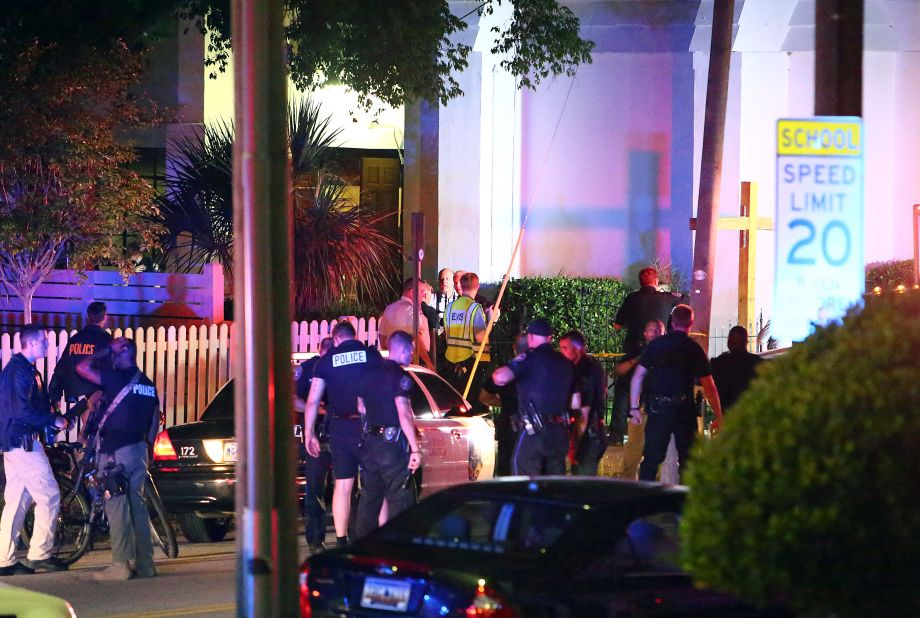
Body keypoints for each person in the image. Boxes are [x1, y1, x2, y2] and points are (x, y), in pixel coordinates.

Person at [76, 337, 161, 580]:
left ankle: (121, 565)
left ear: (121, 352)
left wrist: (104, 350)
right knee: (138, 507)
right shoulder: (148, 385)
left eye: (116, 351)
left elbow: (82, 367)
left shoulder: (115, 378)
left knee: (117, 507)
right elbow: (154, 419)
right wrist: (149, 448)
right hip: (139, 452)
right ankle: (146, 564)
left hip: (115, 453)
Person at [304, 321, 382, 547]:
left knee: (343, 485)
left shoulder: (326, 361)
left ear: (335, 338)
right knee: (372, 484)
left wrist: (310, 434)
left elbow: (312, 401)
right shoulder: (371, 356)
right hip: (368, 427)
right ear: (354, 336)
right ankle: (371, 536)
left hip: (340, 428)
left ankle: (340, 539)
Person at [0, 324, 70, 575]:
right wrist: (51, 420)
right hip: (24, 442)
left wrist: (50, 414)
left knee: (17, 500)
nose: (47, 344)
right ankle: (40, 554)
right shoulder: (21, 372)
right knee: (49, 495)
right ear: (30, 343)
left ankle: (4, 560)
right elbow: (21, 410)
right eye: (43, 340)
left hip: (15, 442)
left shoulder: (23, 369)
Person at [630, 305, 723, 482]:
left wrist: (634, 408)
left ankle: (642, 503)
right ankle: (683, 503)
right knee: (688, 461)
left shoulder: (656, 345)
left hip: (658, 409)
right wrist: (719, 415)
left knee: (650, 461)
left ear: (672, 322)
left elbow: (638, 376)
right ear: (691, 323)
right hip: (684, 410)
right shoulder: (694, 349)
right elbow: (709, 386)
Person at [355, 331, 422, 538]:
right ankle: (397, 549)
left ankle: (362, 549)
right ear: (402, 349)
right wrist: (415, 449)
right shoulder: (400, 377)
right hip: (391, 447)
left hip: (369, 444)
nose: (411, 355)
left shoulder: (367, 373)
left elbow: (361, 407)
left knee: (369, 500)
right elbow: (404, 413)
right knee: (400, 500)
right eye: (411, 350)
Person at [492, 319, 574, 476]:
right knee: (555, 482)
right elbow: (575, 401)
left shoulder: (528, 359)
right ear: (550, 338)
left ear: (529, 338)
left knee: (522, 475)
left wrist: (518, 361)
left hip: (534, 432)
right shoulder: (565, 362)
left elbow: (499, 378)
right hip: (559, 432)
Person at [294, 337, 334, 551]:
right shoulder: (308, 369)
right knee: (315, 489)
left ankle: (345, 534)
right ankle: (315, 539)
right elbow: (293, 399)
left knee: (344, 487)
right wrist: (318, 409)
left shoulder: (340, 367)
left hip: (338, 432)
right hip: (316, 434)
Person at [48, 301, 113, 428]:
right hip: (95, 397)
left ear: (88, 317)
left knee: (86, 436)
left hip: (76, 395)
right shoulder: (106, 340)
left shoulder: (75, 339)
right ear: (105, 317)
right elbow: (111, 371)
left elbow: (61, 369)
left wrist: (55, 397)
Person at [616, 320, 664, 480]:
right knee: (634, 450)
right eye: (651, 330)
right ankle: (629, 483)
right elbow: (620, 370)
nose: (655, 333)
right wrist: (636, 360)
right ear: (645, 333)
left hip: (661, 408)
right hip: (640, 408)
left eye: (659, 329)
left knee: (658, 450)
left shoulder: (667, 351)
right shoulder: (638, 350)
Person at [444, 272, 498, 411]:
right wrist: (491, 319)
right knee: (471, 403)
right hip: (469, 362)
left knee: (454, 402)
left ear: (461, 286)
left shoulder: (450, 308)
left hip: (450, 361)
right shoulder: (474, 308)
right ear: (477, 286)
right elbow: (481, 337)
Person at [559, 330, 608, 476]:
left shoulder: (586, 370)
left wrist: (578, 445)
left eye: (565, 348)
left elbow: (583, 410)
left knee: (582, 480)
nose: (562, 352)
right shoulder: (592, 366)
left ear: (577, 348)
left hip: (587, 435)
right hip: (590, 433)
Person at [480, 333, 528, 477]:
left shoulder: (504, 371)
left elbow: (483, 396)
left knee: (506, 475)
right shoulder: (540, 371)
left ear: (514, 348)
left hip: (508, 430)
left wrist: (504, 402)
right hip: (533, 432)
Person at [614, 267, 686, 356]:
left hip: (634, 350)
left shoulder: (631, 298)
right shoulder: (667, 297)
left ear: (641, 282)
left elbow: (617, 326)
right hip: (659, 350)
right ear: (656, 281)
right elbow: (688, 300)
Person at [378, 278, 433, 369]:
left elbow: (382, 337)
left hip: (393, 361)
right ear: (412, 292)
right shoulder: (411, 310)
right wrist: (428, 363)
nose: (424, 295)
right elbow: (417, 338)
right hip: (411, 363)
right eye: (422, 291)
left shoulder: (389, 308)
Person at [711, 325, 763, 412]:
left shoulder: (718, 363)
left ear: (729, 343)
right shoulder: (758, 363)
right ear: (746, 343)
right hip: (752, 413)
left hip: (727, 414)